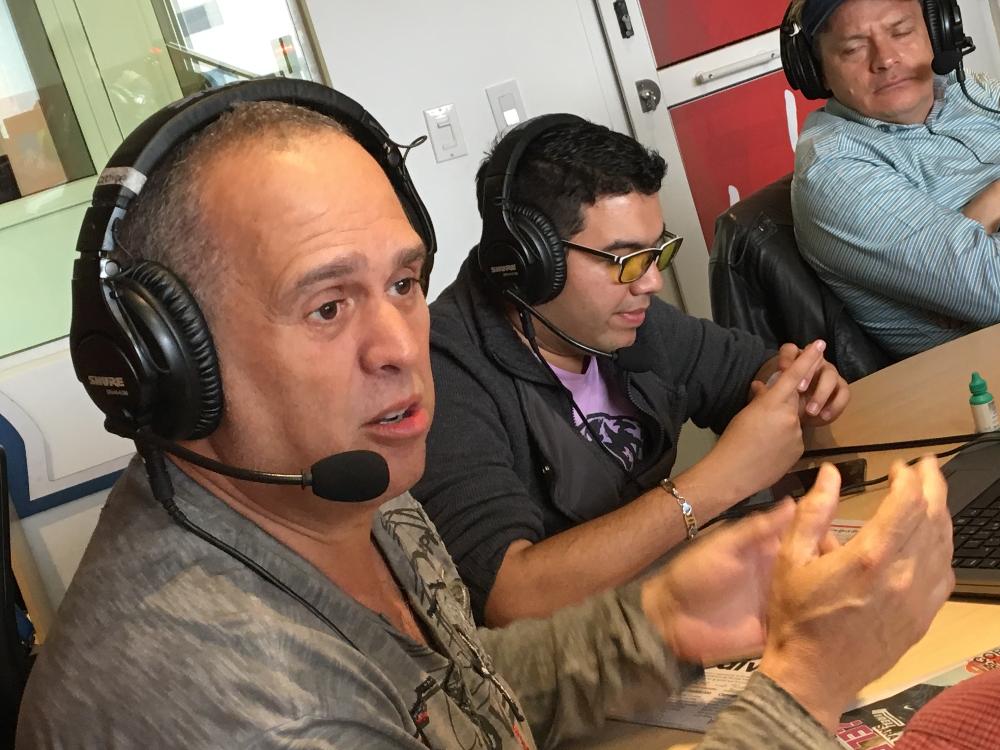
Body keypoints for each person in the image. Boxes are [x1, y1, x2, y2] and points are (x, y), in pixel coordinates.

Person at [15, 81, 952, 750]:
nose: (399, 346)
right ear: (168, 364)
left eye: (404, 283)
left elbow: (461, 703)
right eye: (328, 306)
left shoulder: (351, 484)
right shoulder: (241, 699)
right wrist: (806, 686)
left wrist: (660, 623)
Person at [414, 115, 851, 627]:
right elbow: (510, 596)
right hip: (577, 652)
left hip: (667, 607)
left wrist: (794, 385)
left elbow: (745, 370)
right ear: (530, 262)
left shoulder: (623, 319)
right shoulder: (443, 374)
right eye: (623, 259)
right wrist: (717, 481)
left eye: (655, 252)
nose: (650, 283)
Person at [784, 0, 1000, 361]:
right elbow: (993, 285)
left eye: (901, 31)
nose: (885, 59)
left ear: (937, 32)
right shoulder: (833, 171)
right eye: (853, 48)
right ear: (817, 72)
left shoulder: (970, 91)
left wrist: (988, 206)